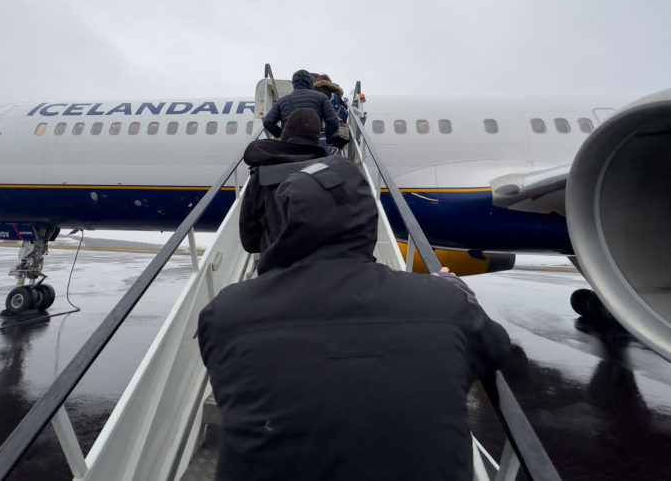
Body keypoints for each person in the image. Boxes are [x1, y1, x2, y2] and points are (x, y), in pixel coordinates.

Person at [198, 157, 511, 480]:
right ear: (367, 219)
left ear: (284, 220)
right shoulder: (442, 302)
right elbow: (496, 349)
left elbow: (230, 391)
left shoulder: (227, 312)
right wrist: (458, 294)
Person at [239, 108, 328, 254]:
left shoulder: (260, 174)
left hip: (275, 267)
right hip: (322, 267)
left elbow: (250, 242)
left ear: (285, 134)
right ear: (317, 138)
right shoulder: (331, 171)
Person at [263, 70, 339, 143]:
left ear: (293, 83)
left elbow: (267, 122)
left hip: (289, 144)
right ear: (310, 82)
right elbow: (334, 122)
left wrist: (281, 135)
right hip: (313, 142)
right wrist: (327, 138)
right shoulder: (321, 97)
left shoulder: (281, 101)